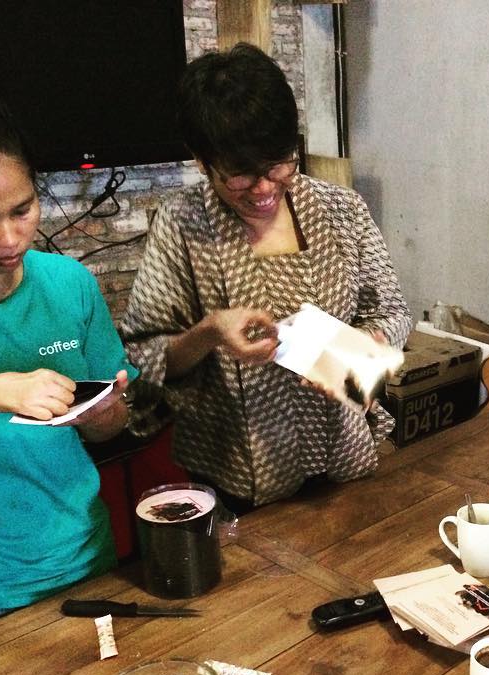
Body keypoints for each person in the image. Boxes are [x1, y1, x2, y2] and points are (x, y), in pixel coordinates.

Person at [120, 43, 411, 514]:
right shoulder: (182, 223)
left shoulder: (341, 209)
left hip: (347, 461)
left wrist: (364, 347)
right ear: (202, 160)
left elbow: (393, 312)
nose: (264, 188)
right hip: (236, 480)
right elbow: (142, 354)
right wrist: (209, 332)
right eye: (240, 174)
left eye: (278, 164)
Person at [0, 94, 136, 646]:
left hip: (84, 560)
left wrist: (103, 412)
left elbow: (112, 426)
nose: (9, 237)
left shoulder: (68, 283)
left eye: (23, 210)